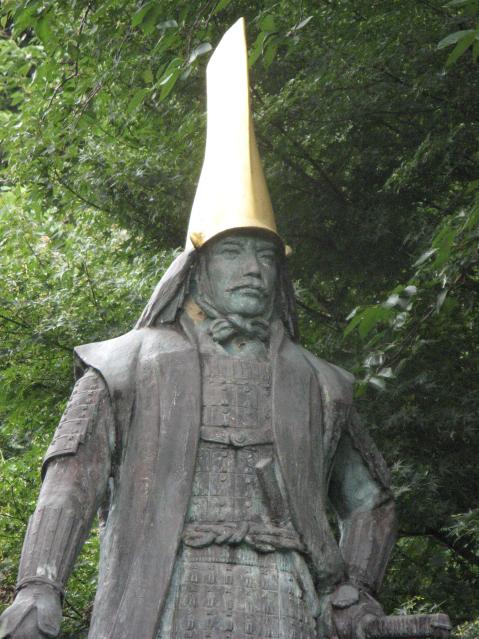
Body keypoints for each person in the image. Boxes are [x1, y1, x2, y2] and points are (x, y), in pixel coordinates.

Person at [0, 18, 396, 639]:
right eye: (234, 252)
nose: (253, 270)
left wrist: (356, 590)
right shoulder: (125, 366)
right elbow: (70, 484)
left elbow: (372, 499)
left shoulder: (322, 384)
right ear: (197, 266)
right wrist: (38, 588)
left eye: (266, 257)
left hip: (288, 608)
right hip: (165, 600)